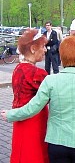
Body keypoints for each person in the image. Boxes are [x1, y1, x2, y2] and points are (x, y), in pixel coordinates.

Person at [1, 36, 75, 163]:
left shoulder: (50, 81)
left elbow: (33, 107)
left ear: (61, 56)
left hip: (57, 142)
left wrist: (11, 114)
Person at [4, 29, 49, 163]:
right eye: (43, 46)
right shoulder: (37, 73)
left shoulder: (18, 69)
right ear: (33, 48)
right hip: (35, 120)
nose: (45, 50)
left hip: (19, 119)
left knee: (20, 151)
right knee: (34, 153)